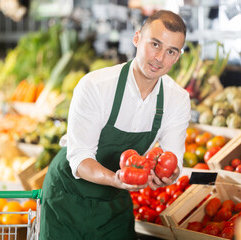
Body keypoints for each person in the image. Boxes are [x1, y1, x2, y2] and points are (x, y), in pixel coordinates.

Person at [39, 10, 191, 240]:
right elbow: (80, 159)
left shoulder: (176, 99)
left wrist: (168, 175)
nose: (160, 58)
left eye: (171, 51)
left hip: (114, 202)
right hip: (68, 196)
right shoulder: (96, 86)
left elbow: (173, 157)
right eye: (155, 44)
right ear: (137, 38)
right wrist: (116, 179)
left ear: (177, 57)